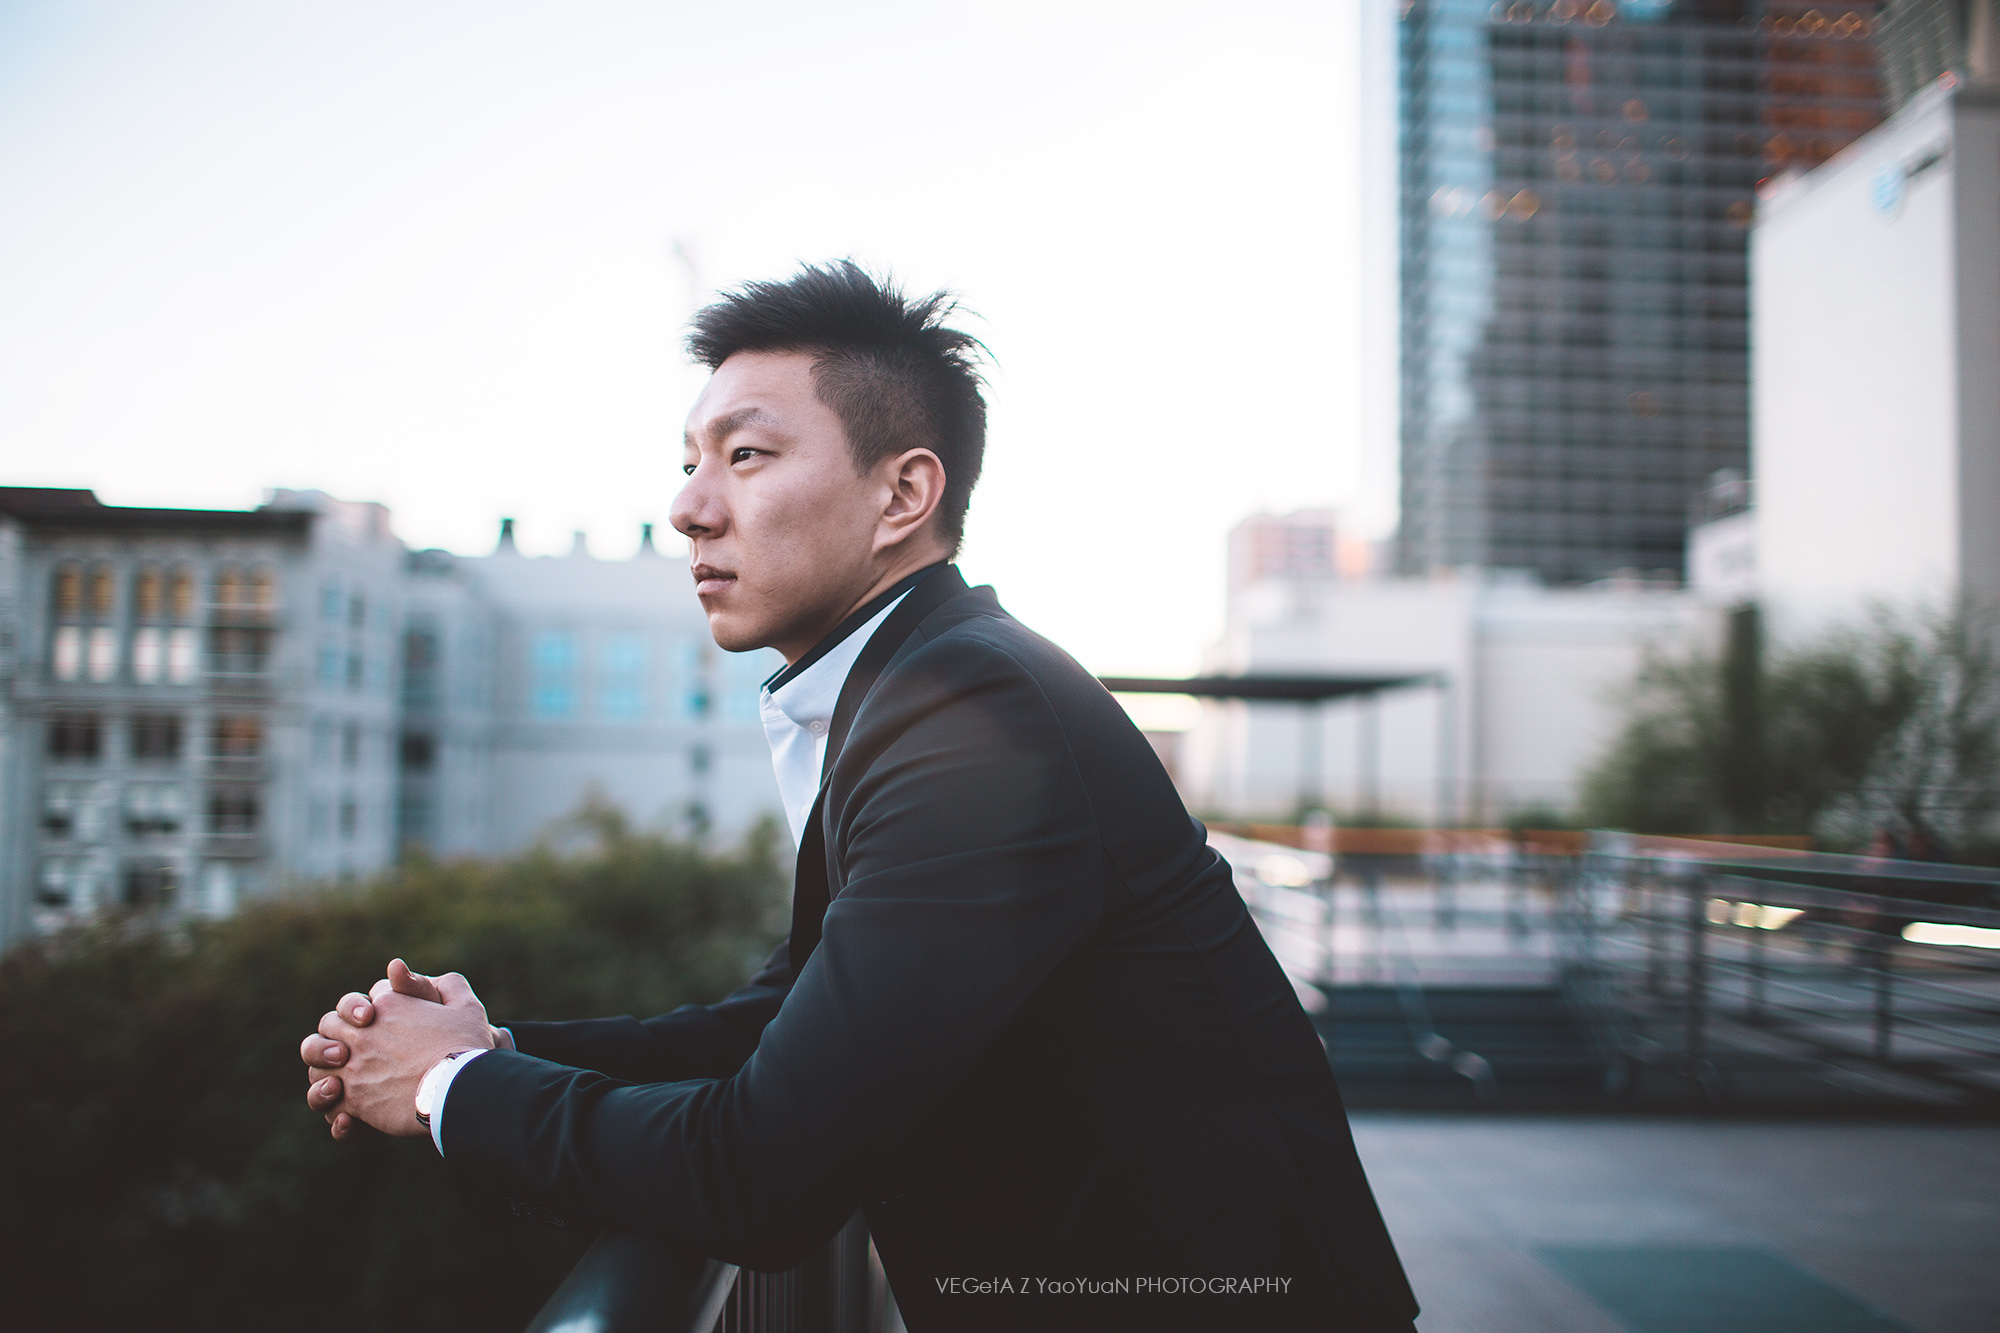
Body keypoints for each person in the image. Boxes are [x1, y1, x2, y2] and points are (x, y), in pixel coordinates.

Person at [299, 261, 1418, 1331]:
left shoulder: (973, 715)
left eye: (744, 455)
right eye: (688, 461)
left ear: (903, 494)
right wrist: (491, 1044)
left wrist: (449, 1086)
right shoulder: (922, 685)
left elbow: (760, 1172)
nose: (688, 507)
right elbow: (780, 1018)